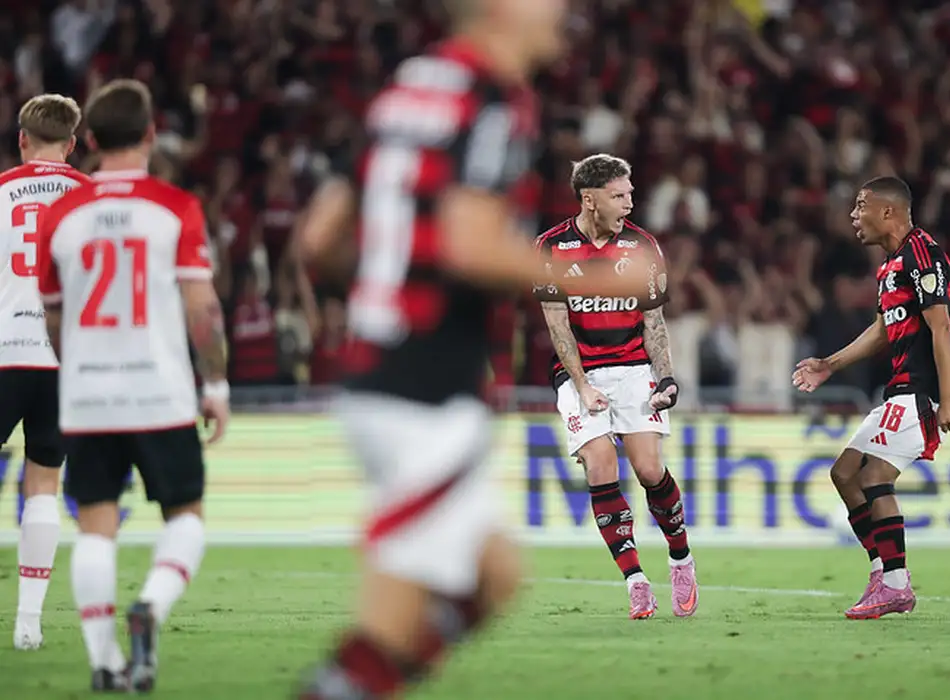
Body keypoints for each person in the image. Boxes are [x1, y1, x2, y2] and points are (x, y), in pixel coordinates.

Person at [295, 2, 653, 697]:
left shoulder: (409, 84)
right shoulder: (491, 97)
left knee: (493, 576)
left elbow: (319, 239)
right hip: (427, 382)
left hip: (375, 369)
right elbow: (470, 245)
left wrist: (390, 281)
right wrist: (599, 278)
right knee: (391, 625)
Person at [35, 79, 229, 692]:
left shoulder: (61, 214)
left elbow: (53, 317)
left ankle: (103, 662)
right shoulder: (176, 207)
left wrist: (77, 370)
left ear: (89, 140)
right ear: (150, 135)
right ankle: (150, 605)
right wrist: (217, 384)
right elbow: (203, 309)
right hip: (160, 393)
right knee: (186, 517)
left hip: (88, 396)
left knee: (95, 524)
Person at [792, 176, 950, 620]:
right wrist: (830, 364)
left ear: (888, 211)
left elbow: (941, 326)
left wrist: (947, 397)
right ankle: (881, 571)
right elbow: (885, 329)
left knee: (874, 477)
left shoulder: (922, 253)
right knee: (844, 473)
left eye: (860, 205)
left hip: (924, 387)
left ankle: (896, 584)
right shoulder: (891, 265)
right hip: (901, 386)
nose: (853, 215)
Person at [533, 153, 696, 620]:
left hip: (633, 368)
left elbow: (654, 323)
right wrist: (582, 385)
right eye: (619, 195)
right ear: (590, 199)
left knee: (648, 469)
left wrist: (666, 378)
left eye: (630, 193)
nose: (630, 203)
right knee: (601, 464)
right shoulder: (551, 247)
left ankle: (681, 557)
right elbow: (557, 327)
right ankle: (636, 581)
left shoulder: (642, 246)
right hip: (579, 372)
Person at [0, 93, 89, 651]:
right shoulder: (91, 198)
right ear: (72, 144)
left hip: (4, 352)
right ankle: (28, 624)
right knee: (43, 486)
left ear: (22, 140)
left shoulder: (2, 190)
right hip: (62, 360)